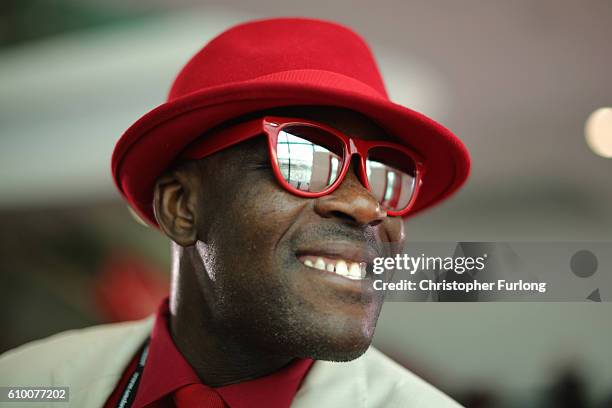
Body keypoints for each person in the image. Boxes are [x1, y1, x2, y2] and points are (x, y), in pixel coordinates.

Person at [0, 17, 470, 407]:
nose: (368, 206)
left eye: (388, 174)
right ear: (181, 207)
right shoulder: (24, 383)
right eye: (302, 157)